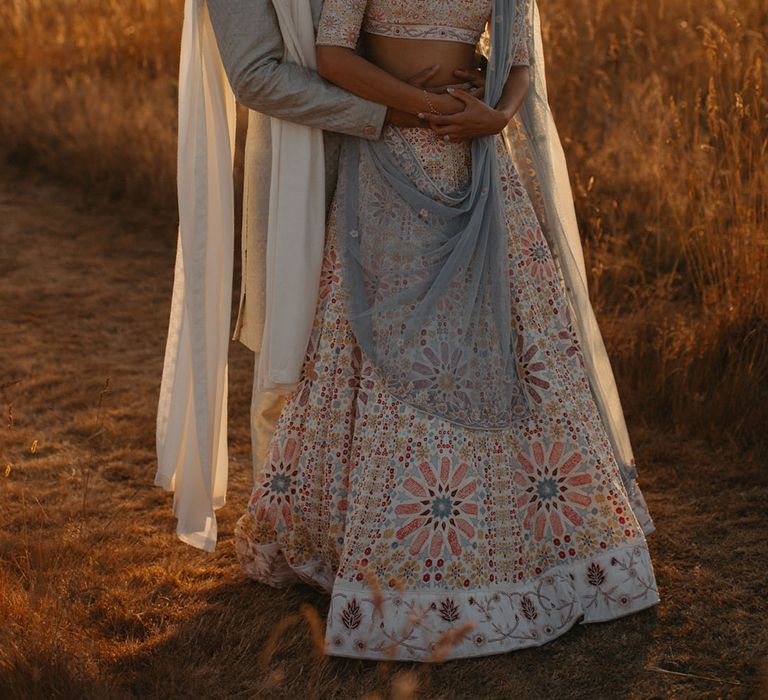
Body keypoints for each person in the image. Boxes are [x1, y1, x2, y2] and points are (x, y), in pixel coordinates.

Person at [229, 0, 661, 662]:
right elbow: (332, 54)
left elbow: (519, 57)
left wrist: (500, 113)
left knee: (506, 337)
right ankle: (409, 557)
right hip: (393, 160)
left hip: (478, 157)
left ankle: (526, 546)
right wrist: (415, 107)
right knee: (396, 344)